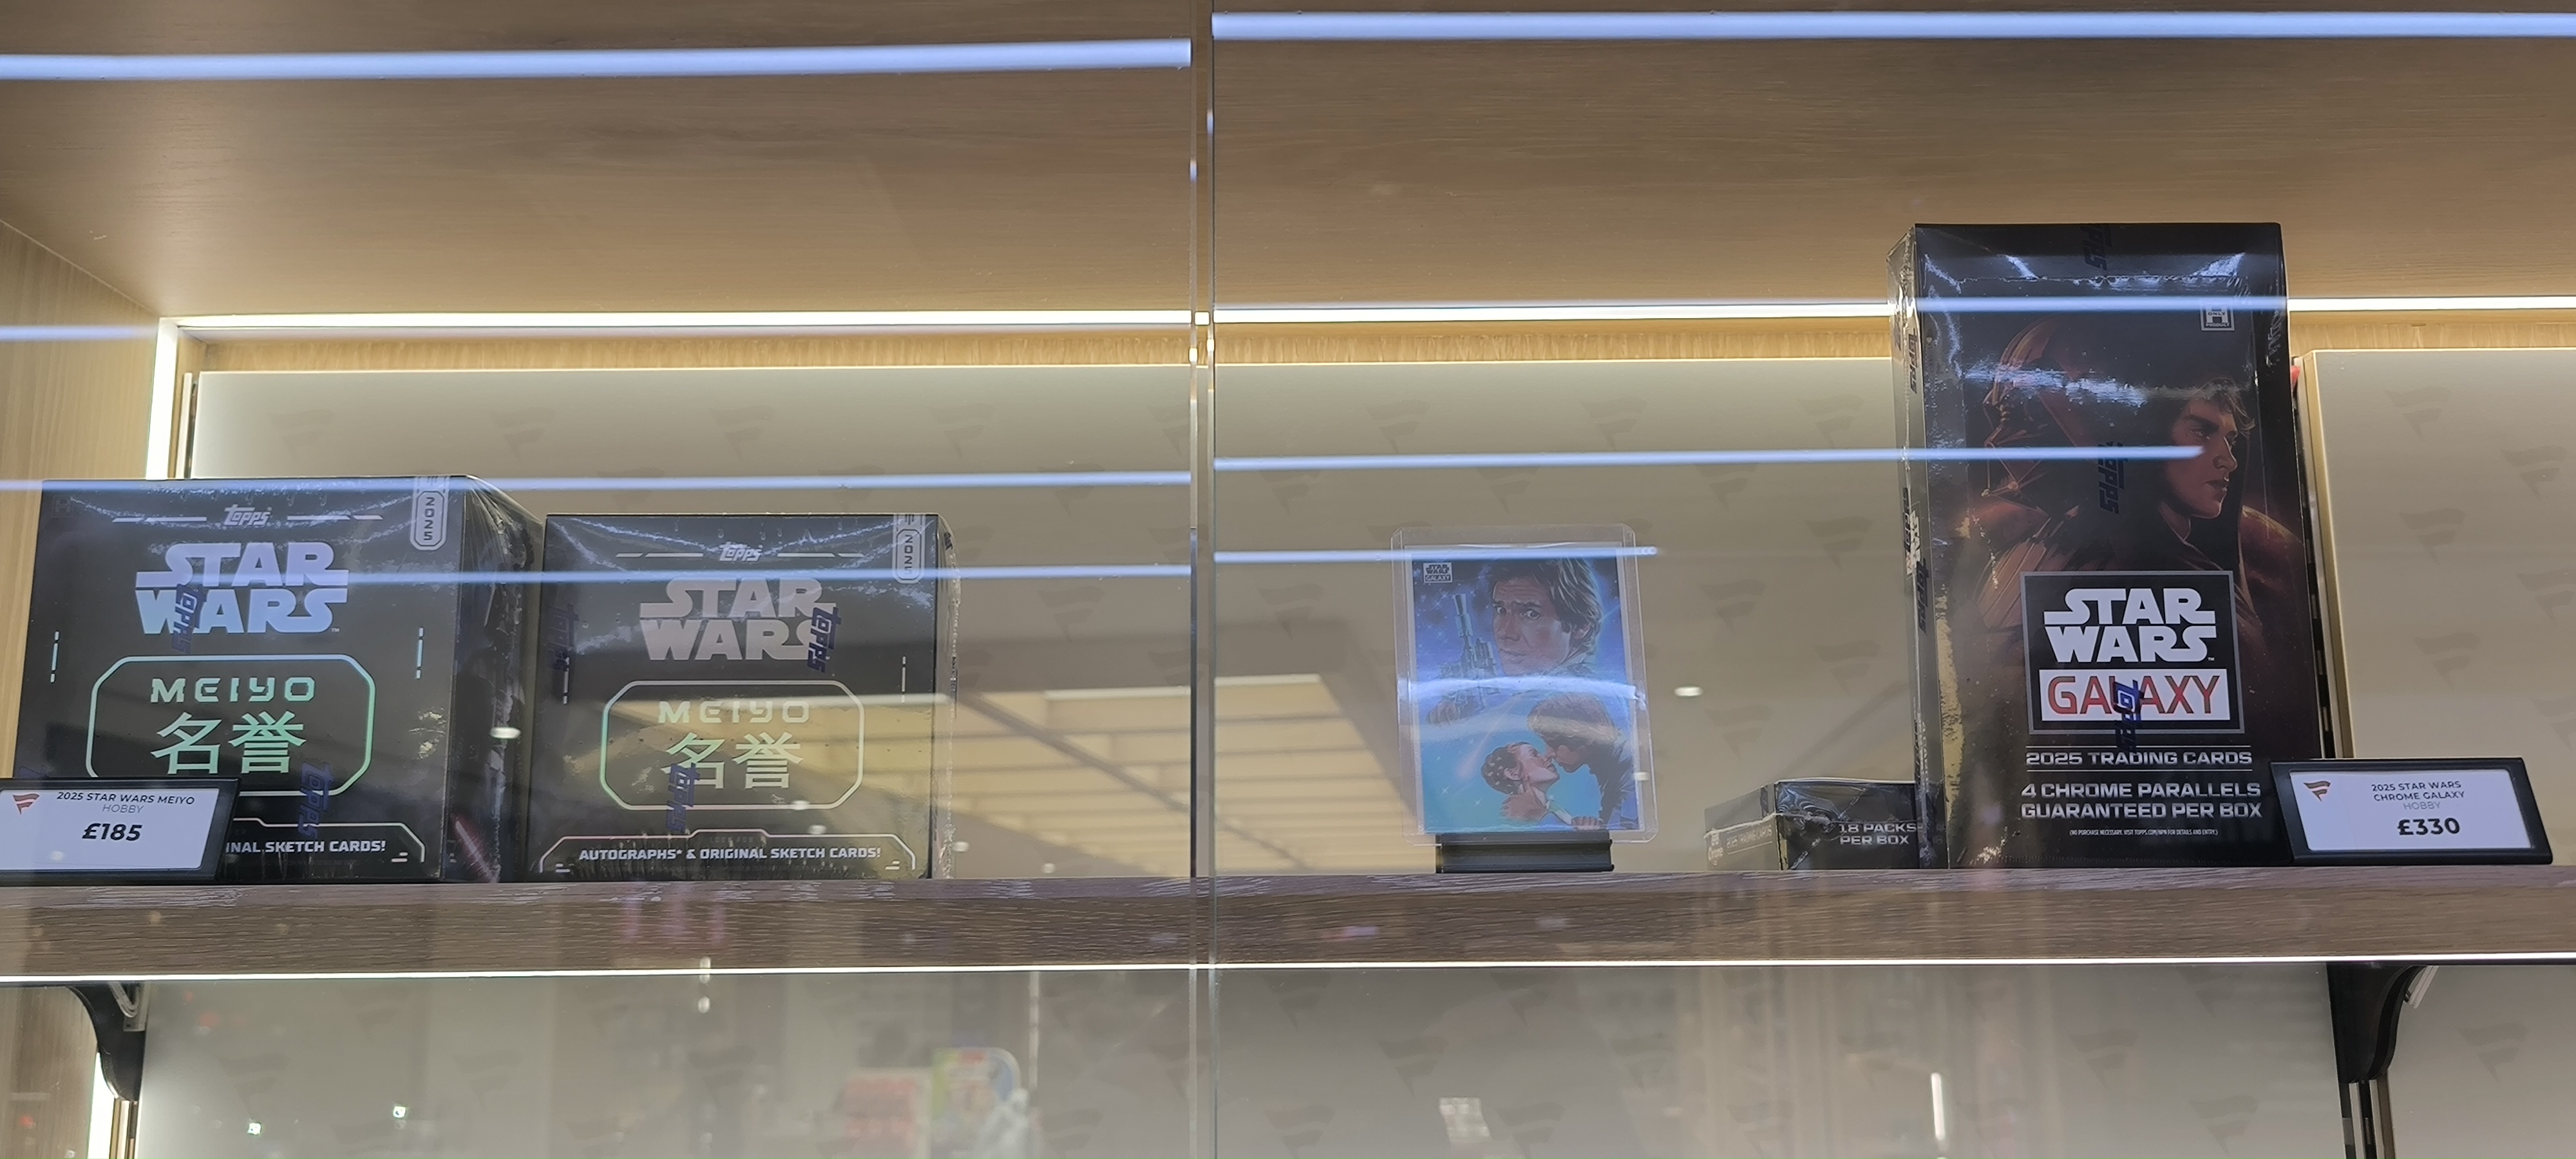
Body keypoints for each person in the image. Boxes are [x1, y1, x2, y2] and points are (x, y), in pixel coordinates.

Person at [1528, 693, 1640, 831]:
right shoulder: (1611, 763)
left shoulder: (1628, 768)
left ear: (1584, 736)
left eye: (1554, 744)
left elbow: (1624, 832)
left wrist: (1539, 816)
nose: (1549, 754)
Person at [1479, 741, 1591, 828]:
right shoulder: (1509, 818)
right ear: (1513, 774)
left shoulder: (1554, 808)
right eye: (1534, 754)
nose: (1546, 758)